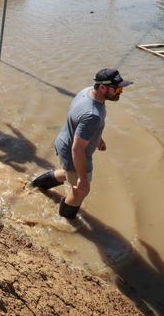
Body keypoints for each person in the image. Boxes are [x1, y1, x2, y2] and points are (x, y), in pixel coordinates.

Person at [29, 68, 133, 219]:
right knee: (81, 190)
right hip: (74, 152)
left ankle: (35, 185)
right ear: (102, 87)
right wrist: (83, 180)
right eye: (117, 89)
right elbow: (77, 150)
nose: (120, 92)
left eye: (121, 88)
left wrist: (98, 138)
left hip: (64, 140)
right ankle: (65, 219)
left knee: (68, 173)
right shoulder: (93, 115)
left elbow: (81, 121)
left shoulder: (88, 91)